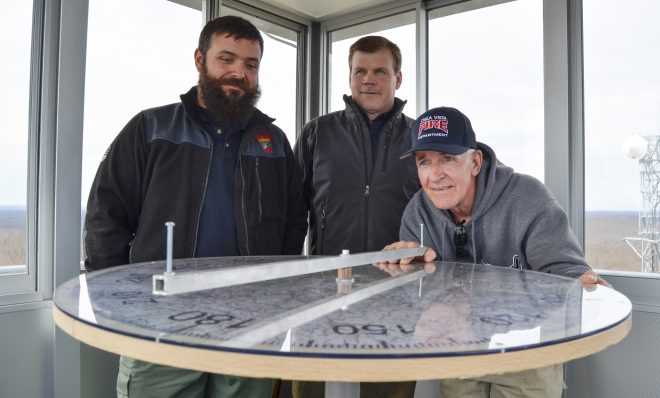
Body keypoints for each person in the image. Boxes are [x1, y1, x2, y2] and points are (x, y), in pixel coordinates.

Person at [84, 15, 307, 398]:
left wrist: (276, 292)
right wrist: (118, 298)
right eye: (227, 59)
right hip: (162, 319)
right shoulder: (151, 128)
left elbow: (293, 222)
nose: (239, 73)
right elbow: (107, 215)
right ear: (200, 59)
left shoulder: (275, 141)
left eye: (250, 65)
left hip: (251, 320)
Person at [380, 106, 610, 398]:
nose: (434, 175)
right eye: (424, 162)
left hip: (526, 349)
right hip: (457, 347)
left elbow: (565, 270)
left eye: (447, 158)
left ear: (475, 162)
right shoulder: (417, 212)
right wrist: (405, 269)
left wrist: (582, 280)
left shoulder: (528, 198)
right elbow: (417, 296)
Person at [293, 36, 419, 398]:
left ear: (398, 78)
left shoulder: (418, 138)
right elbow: (292, 210)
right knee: (312, 386)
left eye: (381, 71)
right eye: (360, 71)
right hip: (324, 287)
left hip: (398, 290)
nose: (369, 79)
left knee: (389, 389)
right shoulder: (317, 132)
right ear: (349, 78)